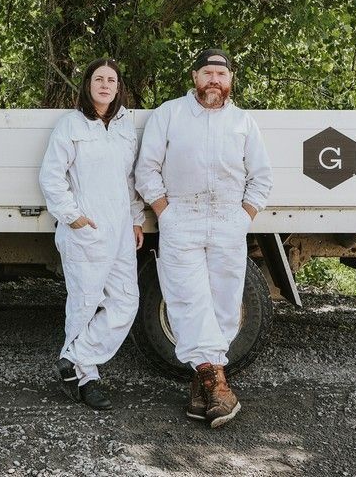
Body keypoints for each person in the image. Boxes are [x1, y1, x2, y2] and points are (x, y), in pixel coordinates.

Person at [134, 48, 272, 428]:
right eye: (207, 73)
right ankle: (219, 387)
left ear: (230, 81)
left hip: (229, 218)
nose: (214, 80)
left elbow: (261, 178)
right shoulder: (170, 114)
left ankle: (204, 384)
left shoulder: (244, 123)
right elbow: (146, 169)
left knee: (225, 300)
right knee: (185, 298)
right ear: (194, 77)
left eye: (221, 75)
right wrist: (166, 212)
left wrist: (243, 218)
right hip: (182, 216)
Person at [39, 58, 145, 411]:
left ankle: (73, 357)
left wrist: (135, 219)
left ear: (118, 88)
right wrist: (73, 218)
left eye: (111, 80)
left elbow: (129, 180)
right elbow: (52, 177)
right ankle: (87, 380)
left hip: (120, 231)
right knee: (84, 304)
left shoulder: (125, 127)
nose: (104, 85)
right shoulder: (71, 125)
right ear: (87, 85)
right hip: (86, 228)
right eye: (98, 79)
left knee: (126, 301)